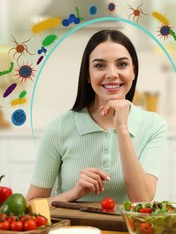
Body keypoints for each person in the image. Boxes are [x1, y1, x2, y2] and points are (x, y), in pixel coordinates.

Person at [26, 29, 167, 205]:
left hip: (127, 232)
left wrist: (122, 129)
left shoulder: (154, 126)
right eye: (100, 65)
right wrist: (72, 194)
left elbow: (142, 200)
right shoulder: (58, 128)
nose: (112, 74)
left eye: (122, 64)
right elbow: (31, 204)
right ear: (87, 74)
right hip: (71, 231)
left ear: (133, 72)